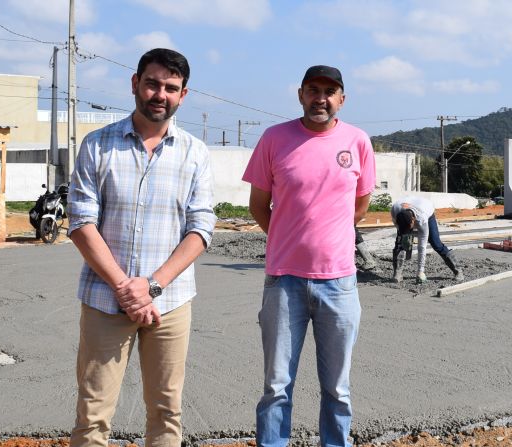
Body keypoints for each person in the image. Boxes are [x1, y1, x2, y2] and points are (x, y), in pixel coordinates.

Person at [66, 48, 216, 447]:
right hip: (104, 299)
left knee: (167, 413)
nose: (159, 94)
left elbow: (201, 228)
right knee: (93, 414)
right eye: (152, 83)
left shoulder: (194, 153)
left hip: (170, 301)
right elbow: (81, 222)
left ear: (183, 95)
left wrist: (151, 286)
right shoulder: (98, 145)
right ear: (135, 84)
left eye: (171, 88)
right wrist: (124, 288)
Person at [242, 65, 376, 447]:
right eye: (313, 90)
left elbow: (360, 204)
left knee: (338, 388)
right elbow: (257, 205)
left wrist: (328, 237)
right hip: (284, 281)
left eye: (329, 92)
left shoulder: (358, 141)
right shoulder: (274, 138)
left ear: (341, 100)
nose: (321, 98)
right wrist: (288, 237)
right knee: (276, 386)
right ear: (300, 94)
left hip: (340, 282)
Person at [391, 195, 464, 283]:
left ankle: (458, 270)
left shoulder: (422, 218)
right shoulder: (395, 211)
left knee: (435, 243)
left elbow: (422, 247)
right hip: (411, 205)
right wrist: (406, 242)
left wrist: (420, 271)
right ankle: (397, 273)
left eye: (410, 227)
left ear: (413, 220)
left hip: (427, 212)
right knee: (400, 243)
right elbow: (401, 230)